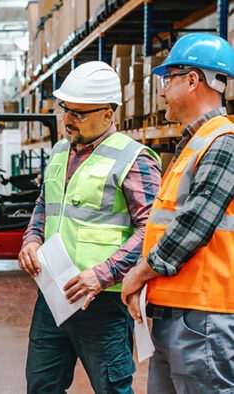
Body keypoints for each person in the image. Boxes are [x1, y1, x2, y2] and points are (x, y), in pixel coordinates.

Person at [18, 61, 162, 393]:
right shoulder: (58, 152)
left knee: (111, 388)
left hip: (103, 302)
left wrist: (102, 274)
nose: (68, 119)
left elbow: (152, 231)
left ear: (108, 114)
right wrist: (31, 239)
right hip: (53, 296)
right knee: (41, 386)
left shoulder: (133, 159)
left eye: (79, 113)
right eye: (65, 109)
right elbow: (45, 204)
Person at [121, 33, 234, 393]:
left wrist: (138, 274)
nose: (162, 90)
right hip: (176, 313)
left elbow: (192, 226)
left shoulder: (222, 142)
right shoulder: (192, 145)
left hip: (204, 318)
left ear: (192, 80)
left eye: (168, 79)